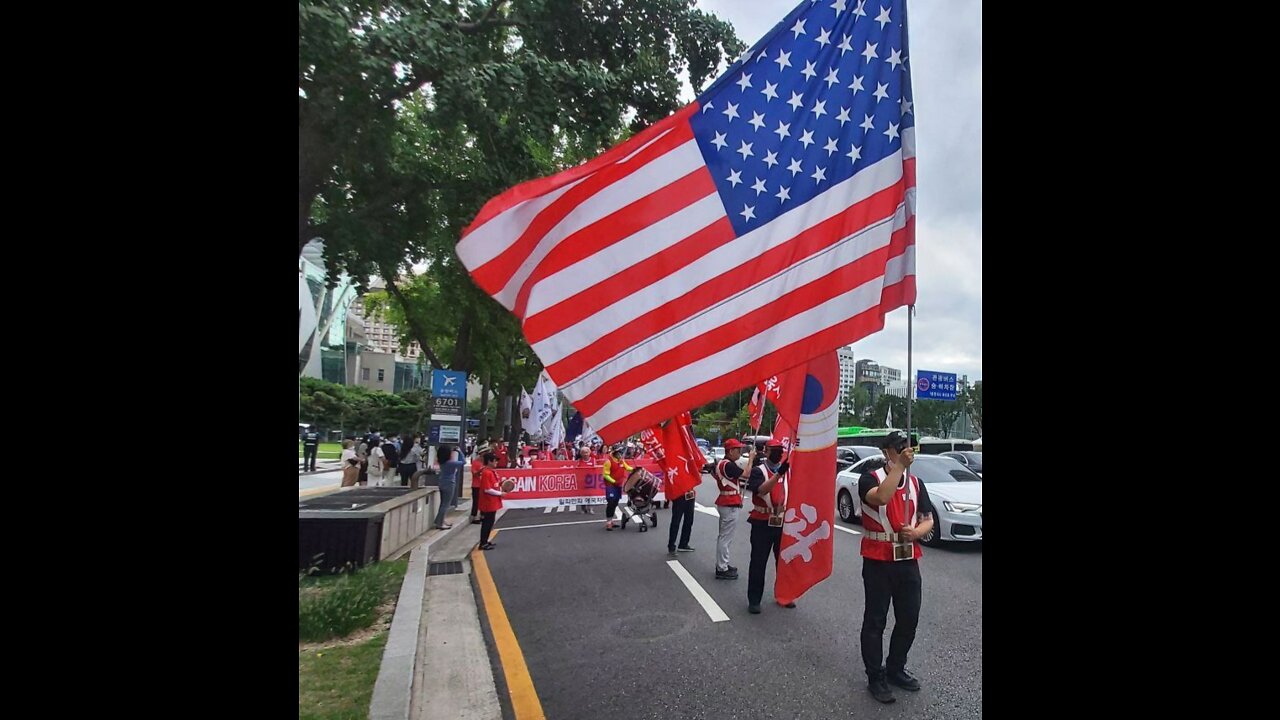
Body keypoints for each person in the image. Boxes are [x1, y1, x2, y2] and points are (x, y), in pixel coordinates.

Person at [858, 430, 935, 704]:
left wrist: (916, 532)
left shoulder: (916, 483)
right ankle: (875, 676)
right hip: (879, 558)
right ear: (886, 452)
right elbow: (880, 498)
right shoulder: (870, 477)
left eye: (908, 445)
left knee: (909, 618)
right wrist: (899, 466)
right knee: (875, 620)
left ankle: (895, 667)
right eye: (899, 447)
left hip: (908, 558)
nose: (906, 449)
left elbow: (927, 519)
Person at [745, 438, 792, 614]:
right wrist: (778, 474)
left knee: (784, 561)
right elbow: (761, 490)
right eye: (775, 450)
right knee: (759, 562)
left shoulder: (788, 471)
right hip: (762, 521)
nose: (779, 453)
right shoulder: (759, 471)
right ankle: (754, 599)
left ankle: (785, 595)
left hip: (781, 522)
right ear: (766, 451)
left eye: (781, 450)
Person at [710, 438, 756, 580]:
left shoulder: (723, 464)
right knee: (725, 538)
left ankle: (723, 564)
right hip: (728, 503)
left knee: (724, 537)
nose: (740, 452)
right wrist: (751, 460)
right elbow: (746, 474)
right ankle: (722, 567)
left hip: (727, 501)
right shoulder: (728, 465)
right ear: (730, 451)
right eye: (738, 450)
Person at [476, 451, 505, 550]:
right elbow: (487, 489)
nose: (496, 462)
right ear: (489, 461)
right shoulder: (486, 473)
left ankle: (485, 541)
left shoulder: (492, 472)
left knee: (490, 522)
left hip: (492, 501)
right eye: (495, 461)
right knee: (487, 523)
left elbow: (495, 485)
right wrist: (500, 493)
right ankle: (483, 542)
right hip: (488, 502)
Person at [601, 445, 631, 530]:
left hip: (619, 485)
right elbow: (605, 475)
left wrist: (635, 469)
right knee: (611, 502)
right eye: (619, 453)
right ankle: (608, 522)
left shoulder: (621, 460)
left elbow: (627, 467)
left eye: (621, 453)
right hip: (611, 485)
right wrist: (614, 481)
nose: (621, 455)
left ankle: (611, 520)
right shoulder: (608, 461)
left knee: (615, 503)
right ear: (615, 453)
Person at [433, 444, 459, 530]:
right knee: (445, 504)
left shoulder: (442, 462)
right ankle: (440, 523)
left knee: (443, 504)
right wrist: (459, 452)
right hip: (449, 483)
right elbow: (463, 462)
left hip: (442, 482)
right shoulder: (451, 463)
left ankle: (440, 520)